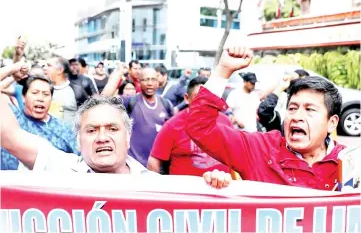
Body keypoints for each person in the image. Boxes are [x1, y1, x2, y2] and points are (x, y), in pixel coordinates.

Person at [186, 46, 345, 191]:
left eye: (309, 109)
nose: (297, 117)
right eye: (292, 108)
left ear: (332, 123)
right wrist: (223, 70)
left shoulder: (350, 162)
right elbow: (200, 128)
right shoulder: (259, 149)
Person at [0, 93, 231, 188]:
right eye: (91, 131)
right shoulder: (59, 168)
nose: (102, 138)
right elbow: (8, 135)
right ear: (78, 141)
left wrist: (214, 188)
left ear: (128, 137)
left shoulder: (155, 186)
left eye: (112, 128)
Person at [148, 76, 232, 176]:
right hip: (185, 190)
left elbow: (237, 155)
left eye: (208, 98)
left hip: (220, 189)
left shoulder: (225, 122)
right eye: (198, 97)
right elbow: (154, 162)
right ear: (187, 98)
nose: (204, 102)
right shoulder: (172, 126)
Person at [1, 75, 78, 170]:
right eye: (35, 93)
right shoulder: (13, 118)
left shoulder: (64, 128)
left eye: (46, 94)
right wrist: (13, 73)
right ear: (23, 97)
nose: (40, 98)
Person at [102, 67, 174, 167]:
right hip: (133, 165)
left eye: (153, 79)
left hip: (158, 167)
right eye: (146, 79)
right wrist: (116, 76)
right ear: (139, 82)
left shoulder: (166, 104)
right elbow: (102, 101)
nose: (150, 83)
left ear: (158, 82)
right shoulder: (130, 102)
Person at [44, 56, 88, 122]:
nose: (45, 68)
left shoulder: (77, 91)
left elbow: (88, 114)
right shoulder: (44, 90)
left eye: (49, 66)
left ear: (60, 70)